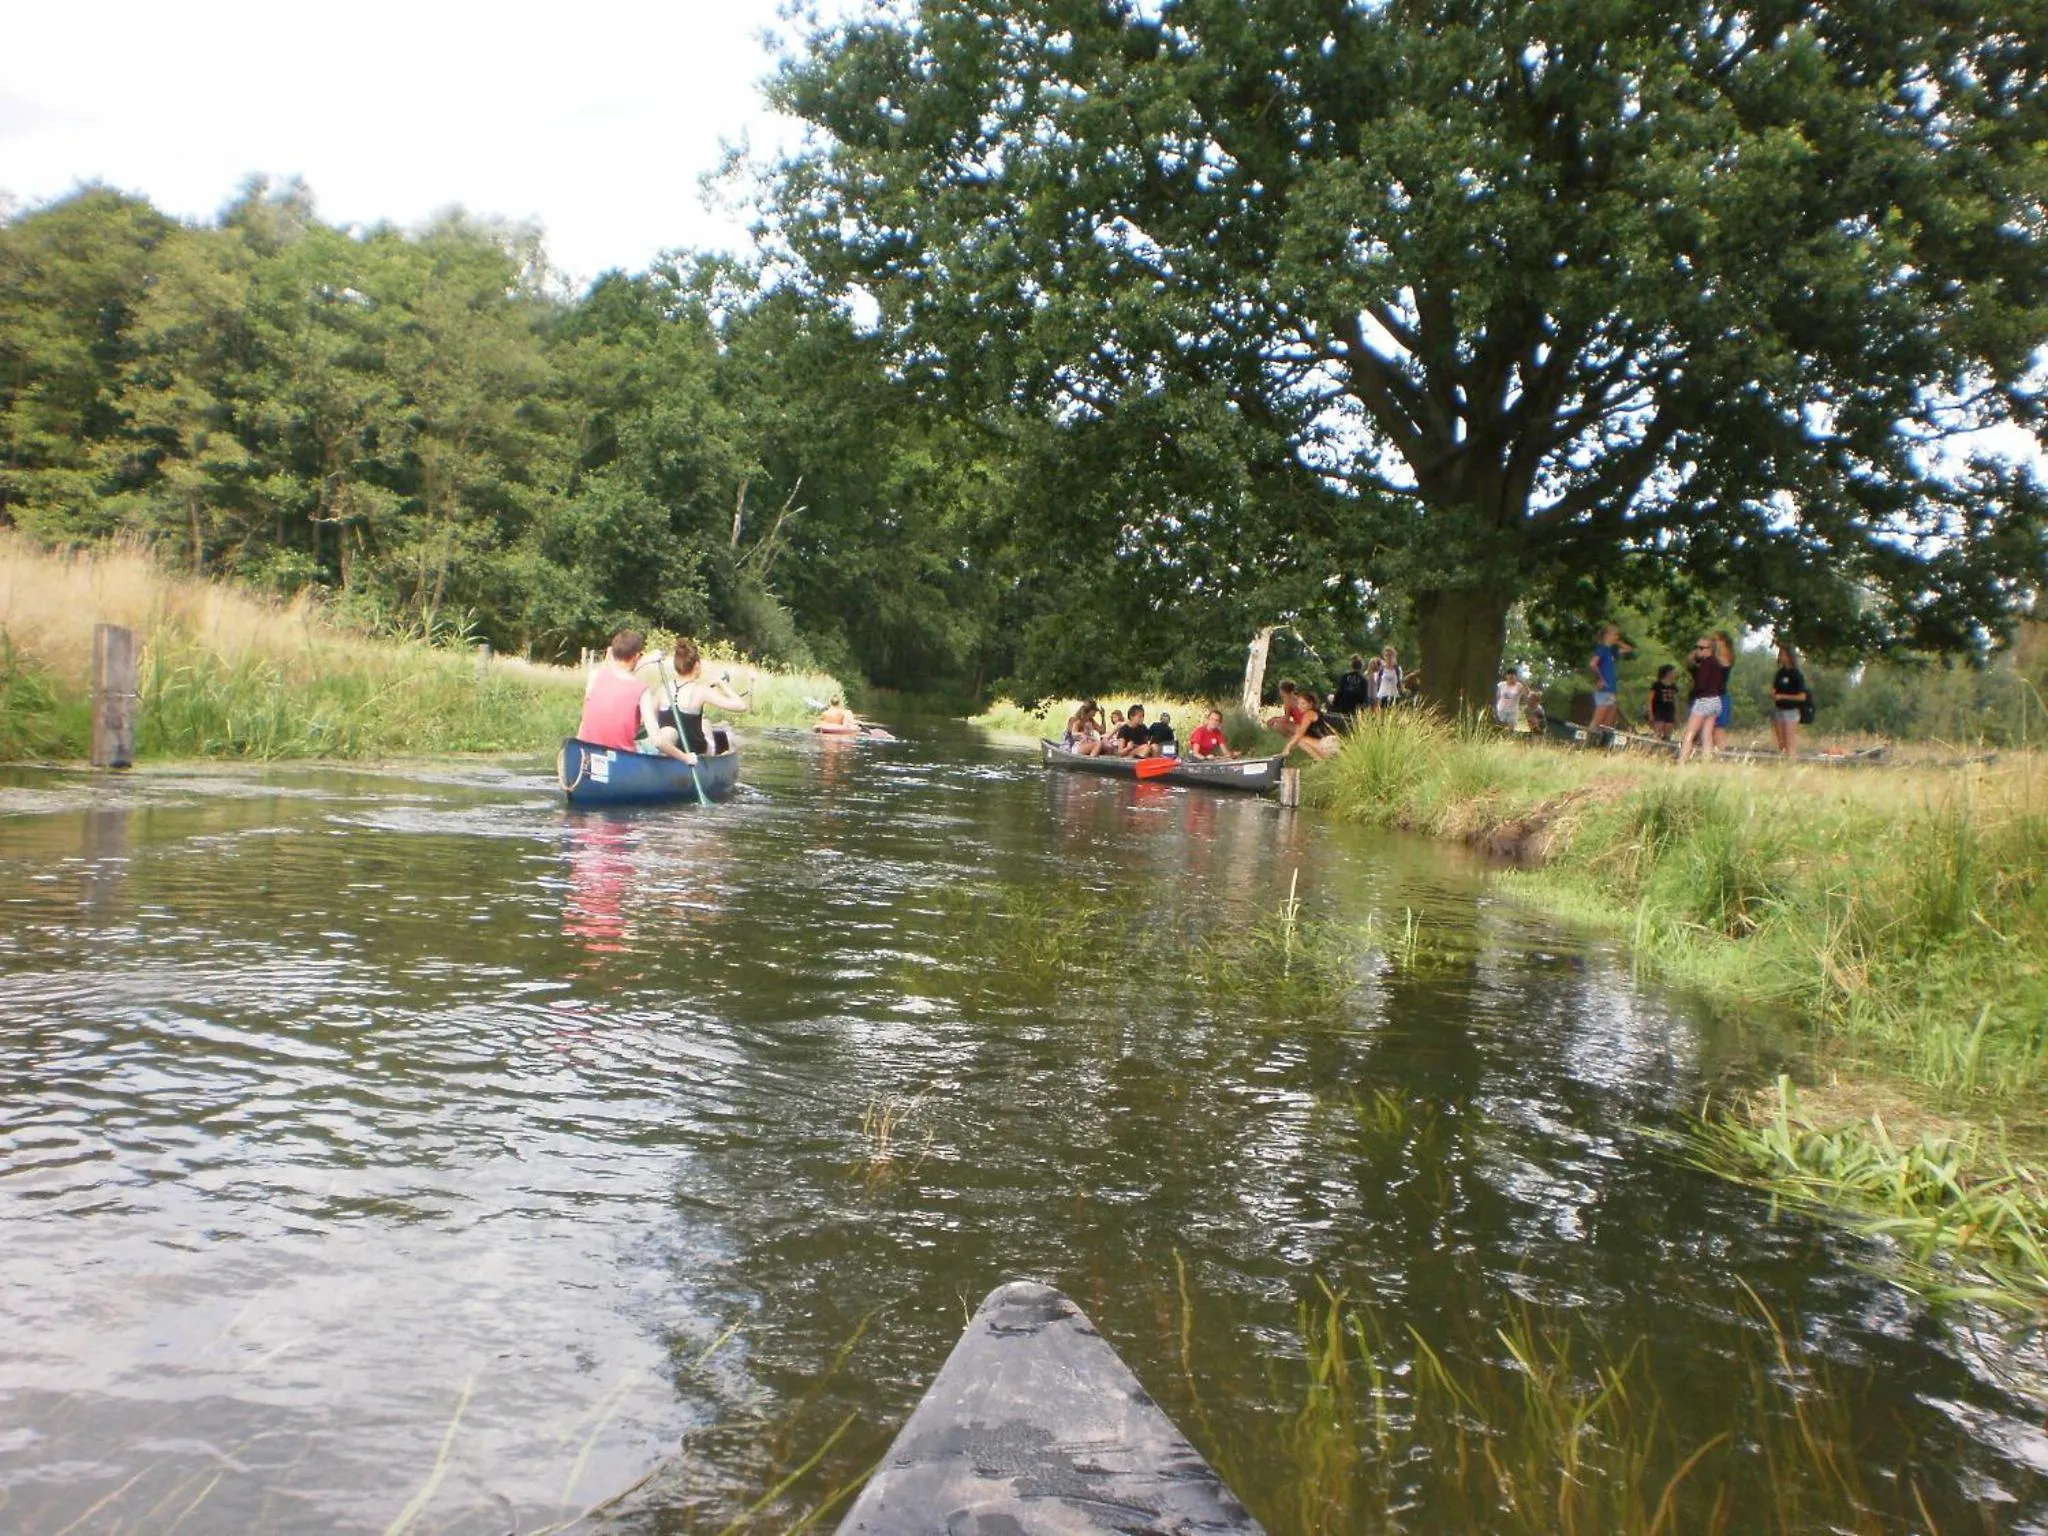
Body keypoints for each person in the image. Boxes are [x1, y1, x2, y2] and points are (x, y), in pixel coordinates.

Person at [580, 629, 696, 763]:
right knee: (670, 732)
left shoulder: (594, 677)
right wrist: (686, 758)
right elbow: (657, 741)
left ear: (613, 652)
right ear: (636, 656)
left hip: (589, 752)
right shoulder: (642, 691)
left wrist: (647, 660)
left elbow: (619, 673)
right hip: (623, 759)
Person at [659, 638, 749, 756]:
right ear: (697, 665)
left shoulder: (663, 688)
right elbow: (741, 706)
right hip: (693, 749)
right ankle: (721, 757)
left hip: (669, 747)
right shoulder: (701, 690)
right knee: (716, 730)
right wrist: (724, 686)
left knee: (704, 722)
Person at [1677, 633, 1731, 764]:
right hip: (1716, 701)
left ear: (1710, 649)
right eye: (1697, 647)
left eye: (1701, 648)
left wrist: (1694, 694)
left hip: (1704, 700)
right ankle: (1706, 764)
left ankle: (1682, 762)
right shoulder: (1718, 664)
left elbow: (1701, 684)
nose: (1698, 650)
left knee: (1689, 733)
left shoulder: (1706, 664)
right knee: (1707, 736)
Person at [1277, 680, 1341, 761]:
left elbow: (1299, 734)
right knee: (1300, 740)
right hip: (1328, 742)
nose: (1300, 706)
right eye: (1299, 704)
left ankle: (1320, 760)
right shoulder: (1312, 713)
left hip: (1328, 744)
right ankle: (1321, 760)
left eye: (1303, 704)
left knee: (1300, 740)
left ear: (1310, 704)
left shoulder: (1309, 714)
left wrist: (1287, 748)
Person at [1589, 624, 1635, 732]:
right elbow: (1592, 664)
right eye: (1615, 634)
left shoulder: (1612, 651)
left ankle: (1602, 744)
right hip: (1604, 688)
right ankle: (1589, 740)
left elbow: (1628, 649)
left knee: (1609, 720)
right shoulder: (1602, 649)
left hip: (1612, 689)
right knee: (1599, 717)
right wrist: (1601, 679)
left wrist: (1617, 642)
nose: (1617, 637)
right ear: (1607, 635)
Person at [1771, 643, 1810, 758]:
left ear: (1789, 656)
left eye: (1783, 654)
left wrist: (1783, 696)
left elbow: (1802, 697)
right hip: (1779, 709)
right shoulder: (1780, 673)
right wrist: (1774, 694)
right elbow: (1775, 688)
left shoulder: (1796, 675)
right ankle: (1783, 762)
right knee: (1781, 742)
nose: (1781, 657)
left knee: (1790, 742)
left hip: (1791, 711)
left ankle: (1792, 760)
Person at [1329, 655, 1373, 723]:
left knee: (1342, 722)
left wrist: (1335, 703)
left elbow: (1340, 691)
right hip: (1356, 706)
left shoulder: (1345, 676)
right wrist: (1365, 708)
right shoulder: (1363, 680)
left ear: (1351, 666)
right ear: (1361, 667)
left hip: (1344, 702)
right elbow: (1364, 696)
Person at [1711, 632, 1736, 749]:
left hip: (1721, 697)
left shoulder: (1726, 657)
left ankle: (1720, 752)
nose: (1714, 642)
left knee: (1718, 728)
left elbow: (1722, 662)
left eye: (1717, 640)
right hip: (1710, 695)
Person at [1646, 664, 1680, 741]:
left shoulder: (1674, 686)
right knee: (1657, 733)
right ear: (1668, 673)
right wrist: (1650, 713)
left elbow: (1676, 701)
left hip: (1670, 712)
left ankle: (1665, 750)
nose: (1675, 674)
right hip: (1659, 711)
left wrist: (1676, 714)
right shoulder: (1656, 685)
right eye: (1674, 672)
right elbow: (1649, 700)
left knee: (1668, 735)